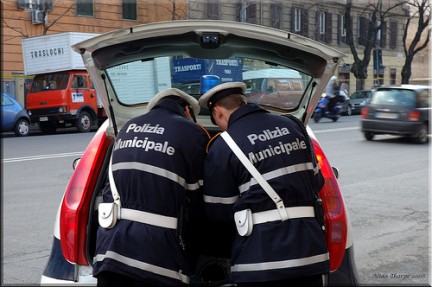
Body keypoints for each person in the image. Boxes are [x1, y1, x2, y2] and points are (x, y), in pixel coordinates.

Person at [198, 82, 330, 286]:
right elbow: (317, 181)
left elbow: (219, 213)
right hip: (311, 253)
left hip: (261, 261)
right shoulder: (294, 126)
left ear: (218, 112)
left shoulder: (224, 145)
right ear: (243, 102)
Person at [93, 88, 210, 287]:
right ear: (187, 111)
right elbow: (199, 200)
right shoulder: (191, 132)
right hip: (158, 258)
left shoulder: (126, 128)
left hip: (110, 251)